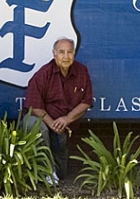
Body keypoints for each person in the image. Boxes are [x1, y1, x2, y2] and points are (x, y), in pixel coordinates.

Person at [22, 37, 93, 182]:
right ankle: (47, 171)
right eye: (61, 52)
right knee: (37, 126)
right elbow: (34, 106)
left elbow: (86, 102)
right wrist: (52, 124)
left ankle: (53, 171)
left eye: (69, 52)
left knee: (61, 173)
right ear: (54, 54)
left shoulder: (81, 71)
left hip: (63, 124)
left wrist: (66, 119)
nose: (66, 56)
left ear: (74, 54)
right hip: (42, 119)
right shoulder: (43, 74)